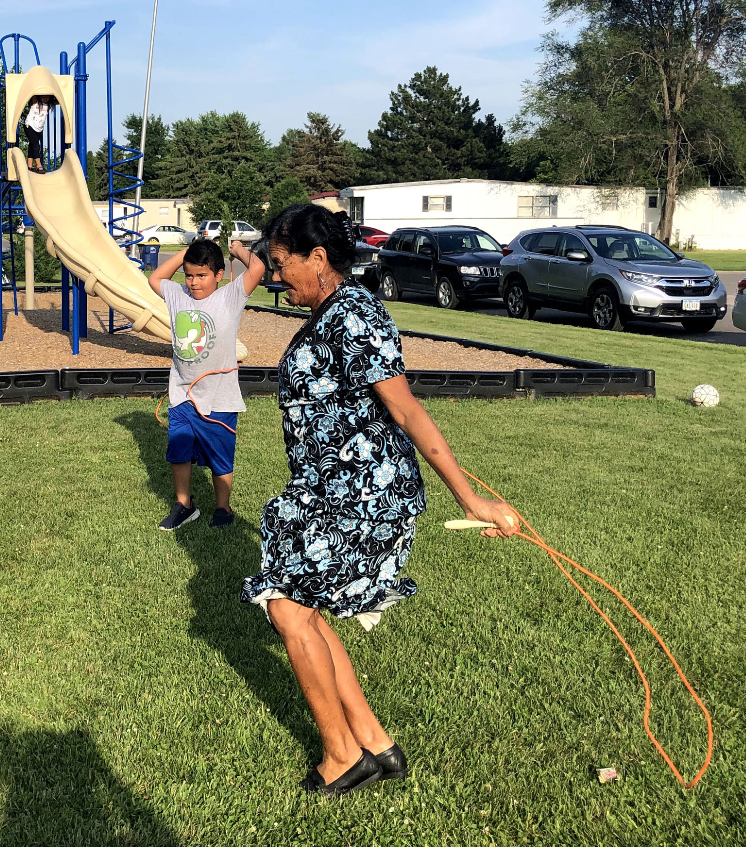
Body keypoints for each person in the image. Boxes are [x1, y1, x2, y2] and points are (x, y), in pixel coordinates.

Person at [240, 205, 518, 796]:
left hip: (361, 491)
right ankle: (374, 743)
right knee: (301, 606)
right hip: (327, 487)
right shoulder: (327, 313)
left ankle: (342, 753)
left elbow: (406, 408)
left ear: (318, 259)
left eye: (282, 261)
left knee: (289, 610)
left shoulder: (353, 315)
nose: (274, 273)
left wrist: (471, 499)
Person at [148, 238, 265, 531]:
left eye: (202, 275)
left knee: (220, 456)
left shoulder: (230, 297)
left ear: (219, 275)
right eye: (189, 275)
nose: (194, 282)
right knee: (179, 450)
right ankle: (184, 505)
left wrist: (237, 250)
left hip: (220, 396)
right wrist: (185, 254)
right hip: (182, 393)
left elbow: (258, 267)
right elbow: (155, 278)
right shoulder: (177, 295)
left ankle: (223, 508)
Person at [24, 95, 55, 174]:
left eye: (47, 97)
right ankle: (39, 166)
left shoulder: (48, 105)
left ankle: (29, 166)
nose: (45, 98)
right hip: (29, 126)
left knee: (32, 146)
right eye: (43, 97)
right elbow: (34, 92)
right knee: (36, 146)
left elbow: (60, 100)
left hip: (38, 129)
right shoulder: (35, 102)